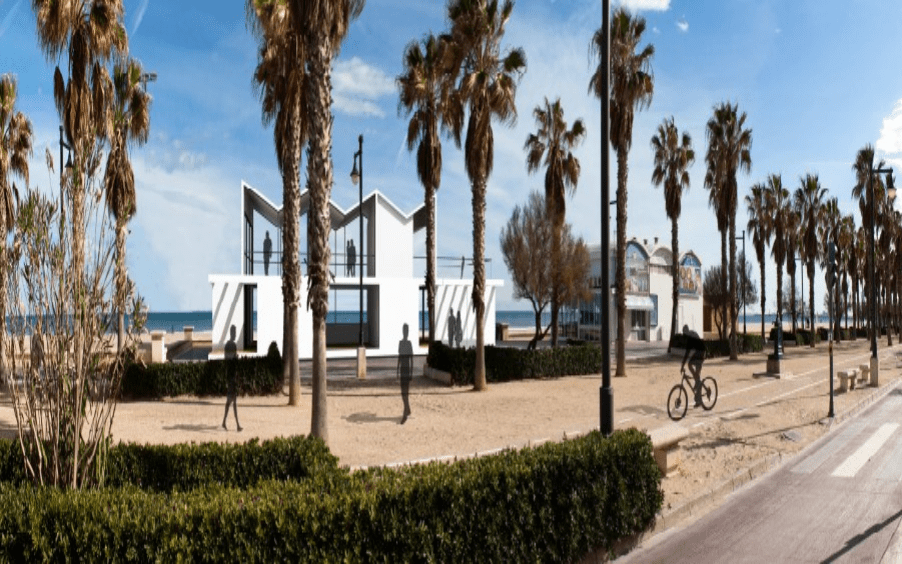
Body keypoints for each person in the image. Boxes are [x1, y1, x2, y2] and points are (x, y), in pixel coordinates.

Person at [222, 325, 242, 431]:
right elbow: (232, 360)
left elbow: (226, 359)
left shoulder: (227, 345)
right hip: (232, 376)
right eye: (234, 332)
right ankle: (235, 425)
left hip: (229, 375)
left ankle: (226, 423)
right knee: (232, 401)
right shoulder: (233, 345)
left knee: (231, 401)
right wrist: (236, 358)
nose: (235, 334)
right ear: (231, 333)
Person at [680, 324, 706, 407]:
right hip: (697, 353)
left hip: (701, 352)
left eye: (684, 334)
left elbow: (687, 354)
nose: (684, 336)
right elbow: (687, 353)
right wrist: (682, 365)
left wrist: (682, 366)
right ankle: (699, 400)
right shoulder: (690, 335)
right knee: (691, 367)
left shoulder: (691, 337)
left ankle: (699, 398)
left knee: (695, 374)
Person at [397, 323, 414, 424]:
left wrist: (411, 372)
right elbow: (399, 357)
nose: (405, 332)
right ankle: (407, 409)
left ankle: (405, 412)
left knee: (405, 392)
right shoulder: (401, 343)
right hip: (402, 369)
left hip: (407, 369)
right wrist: (397, 370)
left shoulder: (409, 343)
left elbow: (411, 359)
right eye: (404, 330)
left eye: (406, 330)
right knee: (402, 392)